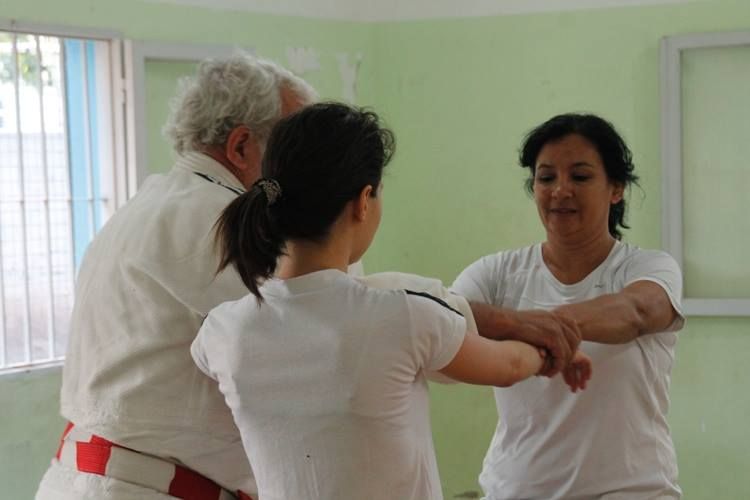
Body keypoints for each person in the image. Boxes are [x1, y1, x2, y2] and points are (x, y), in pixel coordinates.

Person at [190, 102, 593, 500]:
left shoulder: (222, 330)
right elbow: (508, 366)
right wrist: (551, 352)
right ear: (363, 201)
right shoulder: (402, 315)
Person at [35, 54, 316, 500]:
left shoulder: (146, 206)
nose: (307, 172)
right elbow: (319, 337)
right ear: (242, 146)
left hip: (93, 478)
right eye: (295, 150)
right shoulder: (223, 220)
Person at [452, 113, 686, 499]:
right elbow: (441, 319)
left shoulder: (649, 267)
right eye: (546, 178)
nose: (561, 190)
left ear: (616, 188)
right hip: (517, 491)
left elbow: (637, 312)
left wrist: (539, 327)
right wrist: (518, 325)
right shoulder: (496, 273)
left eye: (580, 176)